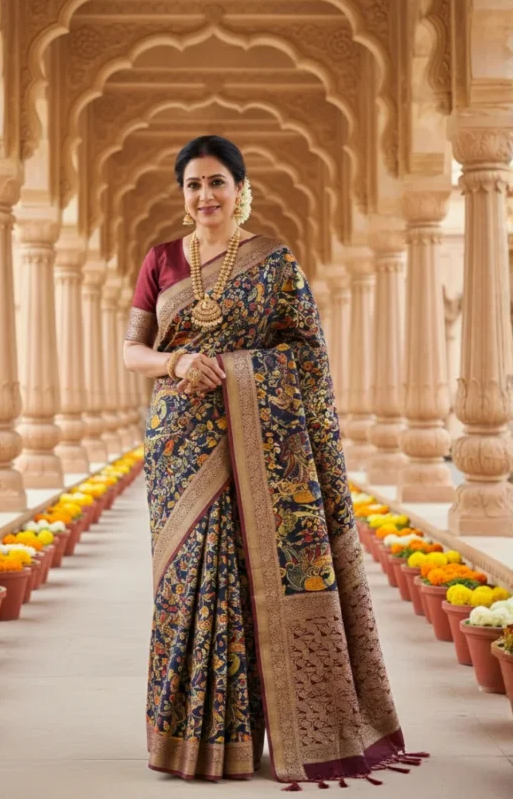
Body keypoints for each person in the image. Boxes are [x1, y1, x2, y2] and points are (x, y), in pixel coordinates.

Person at [123, 135, 420, 788]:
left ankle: (245, 738)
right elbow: (132, 350)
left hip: (259, 442)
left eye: (217, 183)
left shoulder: (274, 262)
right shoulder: (163, 259)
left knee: (245, 581)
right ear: (183, 194)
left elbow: (307, 355)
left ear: (239, 188)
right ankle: (185, 740)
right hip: (180, 442)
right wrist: (174, 361)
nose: (205, 196)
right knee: (186, 587)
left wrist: (231, 369)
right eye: (194, 185)